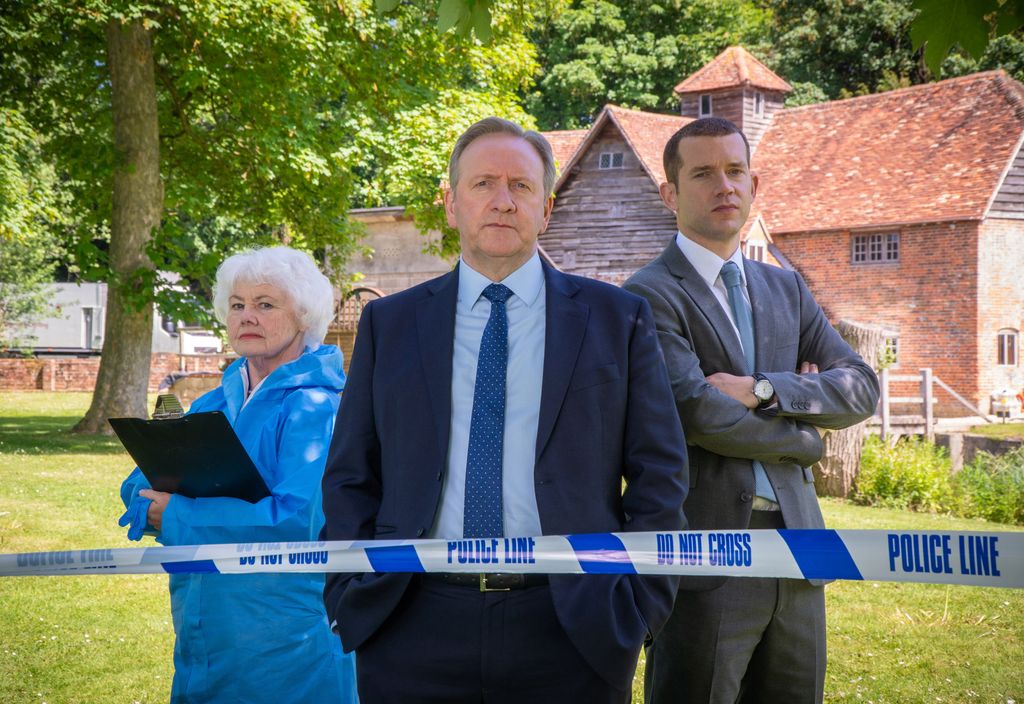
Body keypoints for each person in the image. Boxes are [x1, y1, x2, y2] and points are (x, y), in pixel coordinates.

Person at [320, 117, 688, 704]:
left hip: (574, 625)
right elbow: (350, 472)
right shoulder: (390, 325)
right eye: (483, 183)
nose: (501, 200)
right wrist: (349, 591)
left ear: (546, 208)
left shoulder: (617, 320)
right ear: (449, 204)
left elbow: (659, 475)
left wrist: (637, 609)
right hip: (409, 623)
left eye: (520, 186)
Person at [623, 117, 880, 704]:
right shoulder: (648, 294)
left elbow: (861, 385)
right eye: (704, 173)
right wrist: (807, 441)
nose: (724, 187)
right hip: (707, 558)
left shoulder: (785, 287)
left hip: (799, 551)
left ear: (754, 183)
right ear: (671, 193)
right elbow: (697, 412)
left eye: (735, 171)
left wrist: (764, 389)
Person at [119, 246, 357, 704]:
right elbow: (142, 479)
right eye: (237, 304)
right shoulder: (212, 404)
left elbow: (297, 521)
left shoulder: (318, 408)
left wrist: (176, 517)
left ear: (304, 316)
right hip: (201, 626)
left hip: (284, 636)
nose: (248, 315)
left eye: (265, 304)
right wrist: (144, 499)